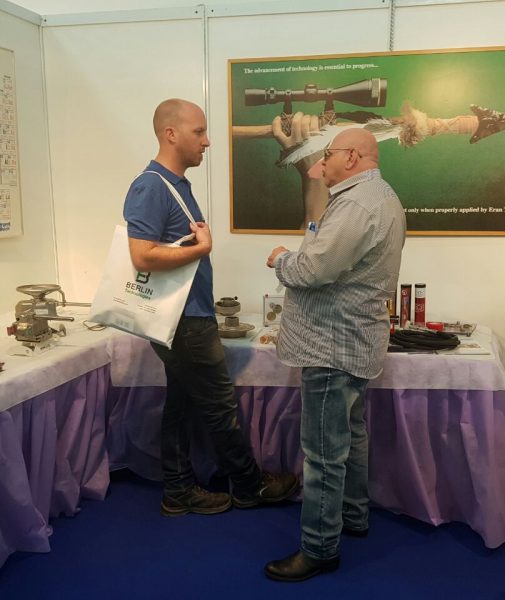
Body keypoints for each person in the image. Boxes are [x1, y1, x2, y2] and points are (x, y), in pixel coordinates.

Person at [124, 98, 298, 517]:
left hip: (188, 317)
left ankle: (178, 490)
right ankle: (249, 485)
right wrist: (201, 249)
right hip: (183, 321)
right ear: (171, 134)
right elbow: (142, 256)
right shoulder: (151, 186)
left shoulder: (174, 185)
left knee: (182, 404)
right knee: (219, 407)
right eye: (199, 132)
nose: (207, 142)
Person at [264, 127, 406, 582]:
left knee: (324, 452)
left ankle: (320, 547)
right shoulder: (378, 197)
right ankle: (353, 515)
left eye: (327, 154)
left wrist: (280, 258)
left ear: (352, 157)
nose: (320, 163)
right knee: (351, 434)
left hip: (332, 345)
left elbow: (313, 269)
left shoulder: (357, 204)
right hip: (352, 341)